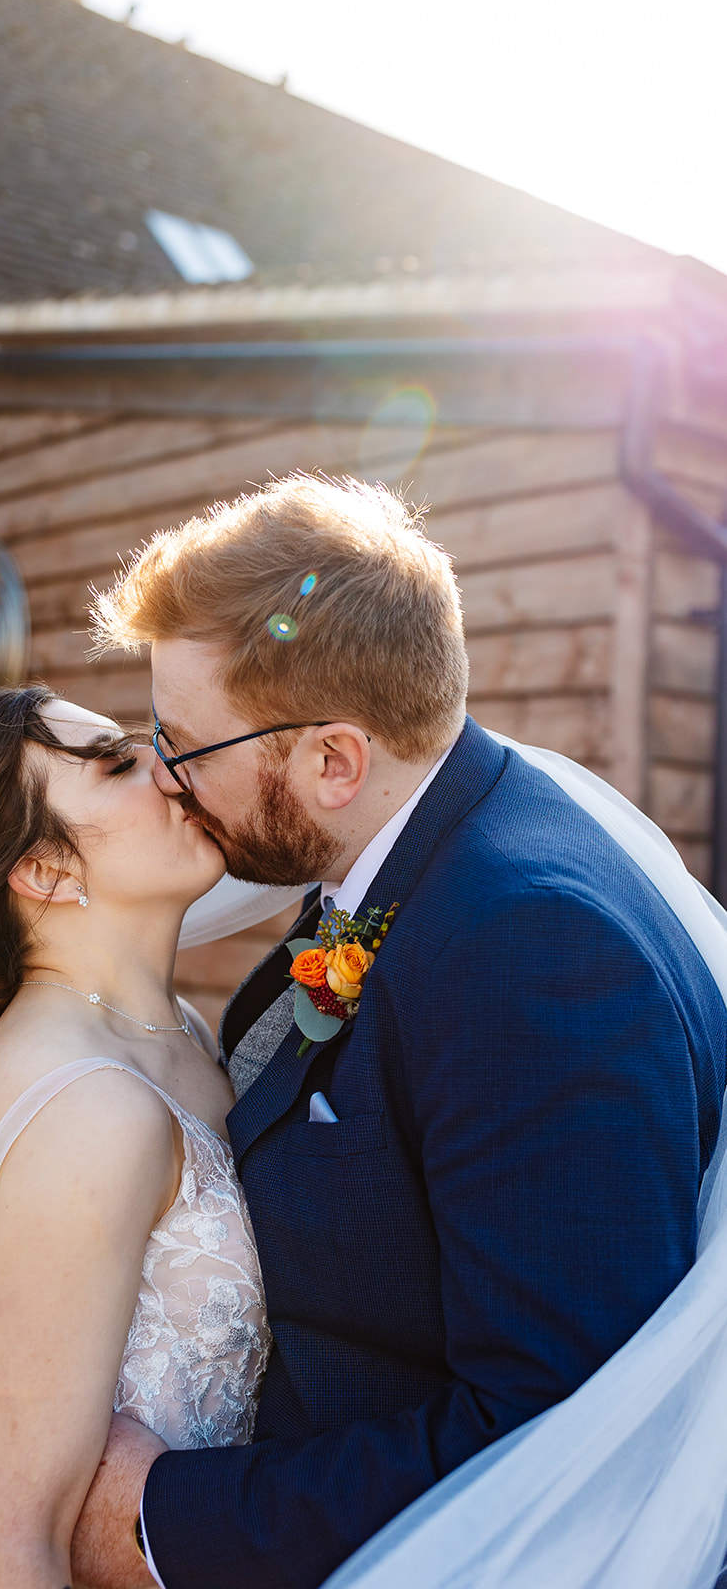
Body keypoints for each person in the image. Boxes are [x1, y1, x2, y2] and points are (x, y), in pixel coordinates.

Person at [72, 474, 727, 1589]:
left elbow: (551, 1429)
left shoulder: (530, 952)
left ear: (332, 760)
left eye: (185, 747)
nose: (168, 782)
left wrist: (162, 1522)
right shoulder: (413, 835)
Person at [0, 686, 272, 1589]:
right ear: (45, 872)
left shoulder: (179, 1033)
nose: (170, 771)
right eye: (120, 764)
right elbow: (13, 1540)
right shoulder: (89, 1109)